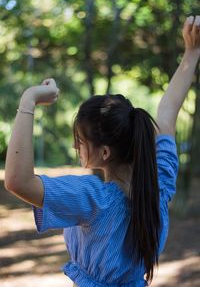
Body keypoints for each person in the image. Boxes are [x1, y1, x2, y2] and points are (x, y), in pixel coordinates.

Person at [4, 15, 200, 287]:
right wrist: (193, 51)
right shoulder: (159, 184)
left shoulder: (94, 198)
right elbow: (167, 112)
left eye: (80, 141)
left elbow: (17, 181)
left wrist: (29, 99)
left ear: (105, 153)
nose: (75, 146)